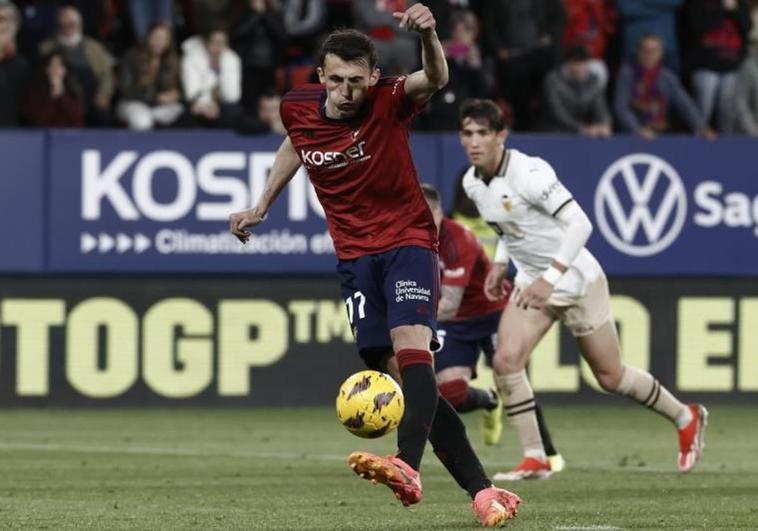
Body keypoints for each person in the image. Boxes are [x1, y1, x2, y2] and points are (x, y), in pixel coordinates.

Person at [228, 9, 521, 526]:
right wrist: (262, 205)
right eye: (336, 80)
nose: (346, 92)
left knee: (413, 349)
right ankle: (484, 492)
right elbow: (296, 143)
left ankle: (407, 466)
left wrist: (430, 34)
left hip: (407, 239)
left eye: (356, 81)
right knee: (401, 378)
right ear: (320, 77)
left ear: (373, 77)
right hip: (353, 257)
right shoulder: (296, 106)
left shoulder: (390, 100)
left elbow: (435, 77)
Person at [457, 98, 709, 480]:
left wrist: (549, 278)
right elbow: (509, 226)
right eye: (467, 133)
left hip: (575, 280)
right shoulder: (473, 183)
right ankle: (536, 456)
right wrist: (499, 263)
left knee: (610, 377)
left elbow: (580, 224)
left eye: (483, 133)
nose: (474, 141)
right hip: (532, 283)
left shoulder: (530, 173)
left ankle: (685, 416)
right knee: (506, 361)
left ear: (501, 136)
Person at [422, 183, 565, 476]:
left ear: (438, 212)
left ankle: (547, 454)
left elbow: (449, 303)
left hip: (493, 311)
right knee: (450, 393)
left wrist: (404, 317)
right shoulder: (410, 239)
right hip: (457, 323)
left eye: (426, 214)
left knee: (510, 376)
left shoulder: (458, 238)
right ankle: (489, 401)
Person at [614, 34, 716, 140]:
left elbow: (685, 105)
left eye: (654, 51)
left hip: (661, 133)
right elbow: (621, 108)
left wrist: (702, 127)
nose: (649, 55)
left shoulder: (668, 78)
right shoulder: (626, 75)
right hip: (631, 135)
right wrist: (637, 129)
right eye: (645, 50)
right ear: (638, 52)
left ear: (660, 53)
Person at [684, 0, 752, 134]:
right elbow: (698, 28)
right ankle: (697, 140)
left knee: (727, 108)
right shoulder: (699, 3)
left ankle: (726, 145)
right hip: (705, 63)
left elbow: (746, 26)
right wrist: (722, 9)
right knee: (704, 105)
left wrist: (734, 10)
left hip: (731, 64)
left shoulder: (738, 3)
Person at [39, 6, 114, 125]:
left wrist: (103, 95)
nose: (67, 29)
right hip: (64, 99)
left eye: (71, 24)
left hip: (92, 99)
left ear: (80, 25)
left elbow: (107, 76)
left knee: (103, 116)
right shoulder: (46, 48)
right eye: (63, 25)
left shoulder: (94, 48)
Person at [117, 22, 185, 130]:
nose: (159, 42)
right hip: (133, 103)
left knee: (182, 112)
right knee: (142, 121)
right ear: (148, 37)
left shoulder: (172, 60)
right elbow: (126, 89)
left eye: (164, 39)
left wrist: (176, 95)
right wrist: (155, 98)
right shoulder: (132, 56)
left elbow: (180, 88)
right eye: (156, 37)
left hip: (160, 108)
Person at [181, 23, 243, 129]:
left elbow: (233, 96)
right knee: (188, 114)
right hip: (198, 104)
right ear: (206, 42)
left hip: (221, 105)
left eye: (222, 42)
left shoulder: (232, 59)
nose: (218, 47)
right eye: (215, 42)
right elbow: (191, 92)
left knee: (234, 112)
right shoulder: (191, 58)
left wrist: (220, 66)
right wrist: (206, 104)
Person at [541, 44, 611, 136]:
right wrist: (581, 128)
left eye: (585, 63)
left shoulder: (593, 80)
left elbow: (600, 107)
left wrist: (604, 124)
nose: (582, 68)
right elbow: (557, 112)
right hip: (553, 133)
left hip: (581, 135)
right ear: (569, 63)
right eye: (578, 63)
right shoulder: (554, 80)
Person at [23, 50, 85, 127]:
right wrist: (53, 97)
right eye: (51, 65)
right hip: (43, 136)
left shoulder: (74, 88)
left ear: (65, 70)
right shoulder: (35, 90)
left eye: (59, 65)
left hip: (72, 136)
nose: (55, 69)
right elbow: (39, 120)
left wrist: (62, 95)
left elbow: (76, 116)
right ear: (46, 69)